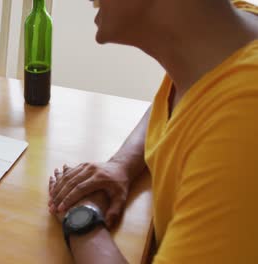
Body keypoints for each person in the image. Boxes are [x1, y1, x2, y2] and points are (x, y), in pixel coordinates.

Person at [48, 0, 258, 263]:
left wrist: (82, 220)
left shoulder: (244, 118)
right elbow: (181, 96)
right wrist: (120, 165)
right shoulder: (221, 40)